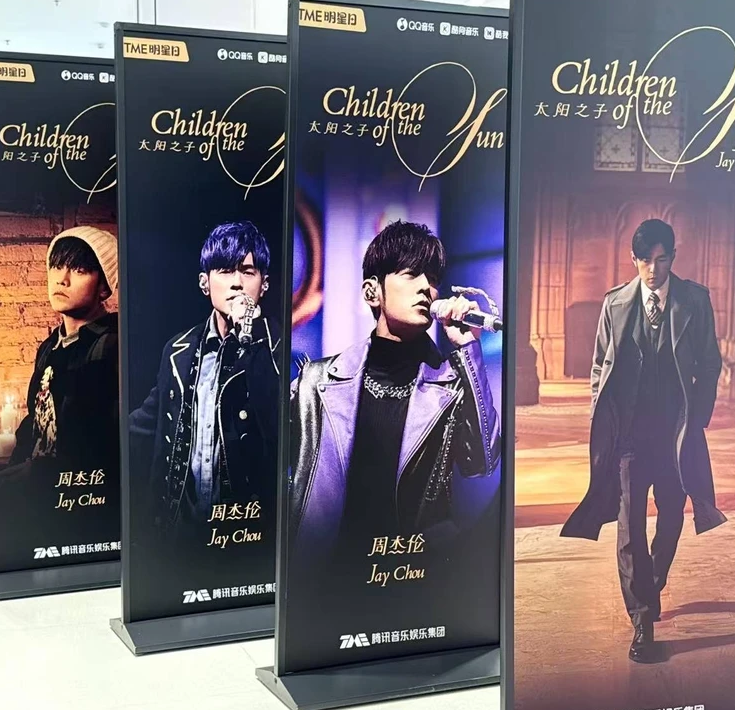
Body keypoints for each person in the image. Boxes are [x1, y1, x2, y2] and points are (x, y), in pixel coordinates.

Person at [561, 218, 725, 664]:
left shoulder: (695, 300)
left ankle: (653, 581)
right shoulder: (615, 303)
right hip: (629, 435)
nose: (653, 269)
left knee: (672, 514)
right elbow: (600, 364)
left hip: (675, 433)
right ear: (633, 260)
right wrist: (600, 415)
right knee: (630, 524)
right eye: (645, 260)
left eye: (661, 259)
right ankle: (642, 621)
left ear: (673, 257)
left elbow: (710, 363)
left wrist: (699, 418)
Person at [289, 221, 501, 563]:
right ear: (372, 292)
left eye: (432, 278)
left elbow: (483, 463)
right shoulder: (316, 381)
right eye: (411, 274)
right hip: (330, 574)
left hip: (416, 571)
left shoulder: (450, 385)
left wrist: (468, 349)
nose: (426, 288)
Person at [129, 220, 280, 532]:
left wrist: (252, 335)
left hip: (246, 532)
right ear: (204, 283)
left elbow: (278, 427)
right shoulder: (178, 350)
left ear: (264, 284)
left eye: (247, 271)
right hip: (180, 532)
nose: (237, 283)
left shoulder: (279, 346)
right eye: (225, 271)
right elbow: (145, 423)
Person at [6, 226, 119, 477]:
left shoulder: (113, 343)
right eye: (57, 267)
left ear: (104, 287)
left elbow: (99, 439)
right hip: (35, 485)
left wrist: (39, 472)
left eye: (79, 270)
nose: (62, 280)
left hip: (79, 487)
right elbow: (35, 420)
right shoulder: (50, 346)